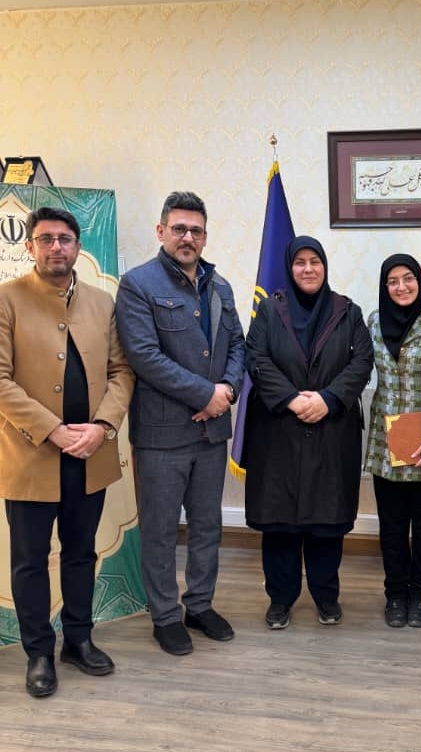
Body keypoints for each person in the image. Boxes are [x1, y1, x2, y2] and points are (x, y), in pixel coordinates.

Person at [0, 207, 134, 697]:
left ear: (79, 247)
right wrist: (54, 430)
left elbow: (122, 372)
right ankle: (39, 651)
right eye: (46, 239)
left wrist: (103, 427)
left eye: (65, 238)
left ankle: (79, 640)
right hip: (30, 456)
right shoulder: (7, 299)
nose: (56, 246)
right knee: (30, 560)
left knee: (81, 553)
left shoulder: (103, 302)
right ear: (30, 246)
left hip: (90, 455)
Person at [116, 191, 245, 656]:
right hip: (161, 436)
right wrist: (205, 394)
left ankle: (200, 605)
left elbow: (238, 346)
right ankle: (166, 616)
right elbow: (144, 357)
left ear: (205, 236)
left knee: (208, 526)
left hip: (211, 433)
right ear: (161, 231)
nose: (187, 237)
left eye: (196, 230)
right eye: (179, 229)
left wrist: (227, 389)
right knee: (161, 530)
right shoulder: (137, 284)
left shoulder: (220, 286)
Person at [243, 235, 373, 629]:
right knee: (280, 525)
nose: (308, 269)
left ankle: (326, 597)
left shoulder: (348, 311)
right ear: (289, 268)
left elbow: (362, 361)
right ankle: (280, 600)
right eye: (299, 262)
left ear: (325, 266)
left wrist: (328, 399)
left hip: (332, 431)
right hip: (278, 432)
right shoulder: (269, 310)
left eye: (314, 261)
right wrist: (291, 399)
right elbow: (255, 357)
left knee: (326, 524)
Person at [365, 254, 421, 628]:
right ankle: (395, 595)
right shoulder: (374, 321)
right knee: (392, 526)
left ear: (419, 280)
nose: (401, 287)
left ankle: (420, 595)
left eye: (408, 278)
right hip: (386, 443)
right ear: (385, 287)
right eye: (393, 281)